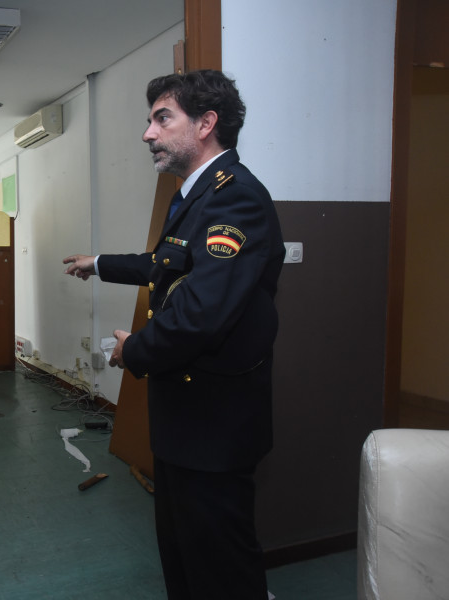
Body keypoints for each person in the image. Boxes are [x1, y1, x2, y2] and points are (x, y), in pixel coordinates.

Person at [63, 69, 284, 599]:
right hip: (185, 420)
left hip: (214, 424)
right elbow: (167, 263)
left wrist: (132, 349)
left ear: (206, 124)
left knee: (219, 567)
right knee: (184, 555)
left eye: (163, 119)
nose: (148, 133)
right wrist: (99, 263)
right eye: (150, 120)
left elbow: (201, 315)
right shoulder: (196, 194)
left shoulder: (235, 199)